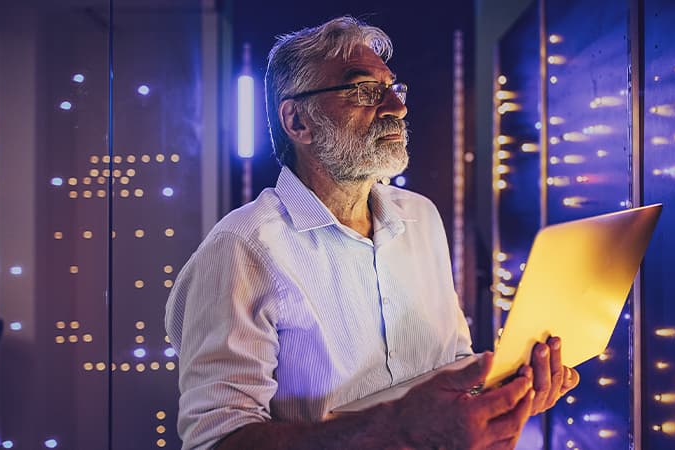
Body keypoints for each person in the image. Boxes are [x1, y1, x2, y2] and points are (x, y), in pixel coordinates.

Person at [165, 16, 579, 450]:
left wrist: (509, 394)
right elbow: (217, 442)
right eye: (364, 91)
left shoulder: (422, 217)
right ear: (298, 121)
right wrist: (395, 430)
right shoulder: (242, 247)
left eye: (393, 89)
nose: (396, 108)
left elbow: (453, 369)